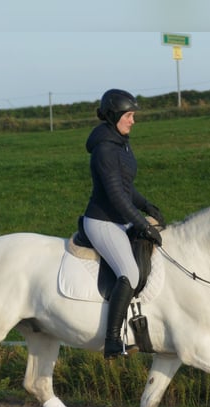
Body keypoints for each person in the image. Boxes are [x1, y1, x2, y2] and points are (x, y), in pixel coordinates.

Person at [81, 89, 165, 359]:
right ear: (115, 116)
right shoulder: (105, 149)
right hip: (102, 222)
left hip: (118, 220)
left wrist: (146, 205)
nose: (133, 121)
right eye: (129, 115)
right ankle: (113, 339)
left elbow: (126, 186)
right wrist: (142, 224)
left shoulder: (120, 142)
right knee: (129, 271)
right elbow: (116, 196)